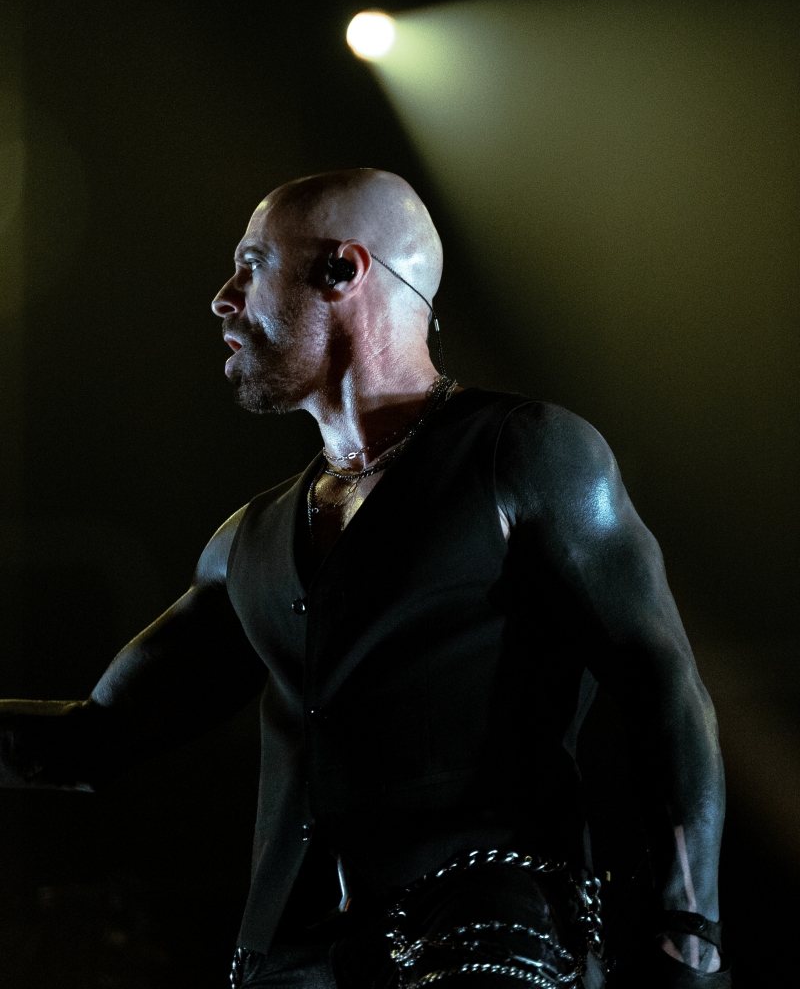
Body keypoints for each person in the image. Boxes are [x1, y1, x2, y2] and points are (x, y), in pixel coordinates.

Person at [1, 168, 728, 988]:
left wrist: (689, 937)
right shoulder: (250, 541)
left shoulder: (524, 455)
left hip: (491, 948)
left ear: (343, 270)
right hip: (295, 965)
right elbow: (92, 741)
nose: (223, 299)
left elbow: (661, 683)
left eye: (251, 266)